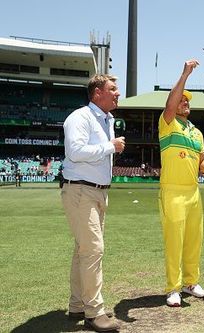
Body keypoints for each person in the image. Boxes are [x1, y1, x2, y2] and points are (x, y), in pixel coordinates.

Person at [61, 74, 124, 332]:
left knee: (83, 250)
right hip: (81, 191)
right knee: (93, 250)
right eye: (112, 89)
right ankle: (94, 312)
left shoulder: (105, 119)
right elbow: (75, 152)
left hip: (96, 192)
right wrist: (109, 146)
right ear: (97, 93)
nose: (117, 93)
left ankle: (78, 304)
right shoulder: (80, 118)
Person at [159, 59, 204, 307]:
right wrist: (185, 74)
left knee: (194, 238)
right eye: (181, 100)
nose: (184, 102)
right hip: (172, 191)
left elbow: (202, 157)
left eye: (187, 101)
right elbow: (170, 105)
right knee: (174, 239)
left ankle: (190, 282)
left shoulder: (196, 132)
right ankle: (173, 288)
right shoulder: (167, 124)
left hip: (193, 192)